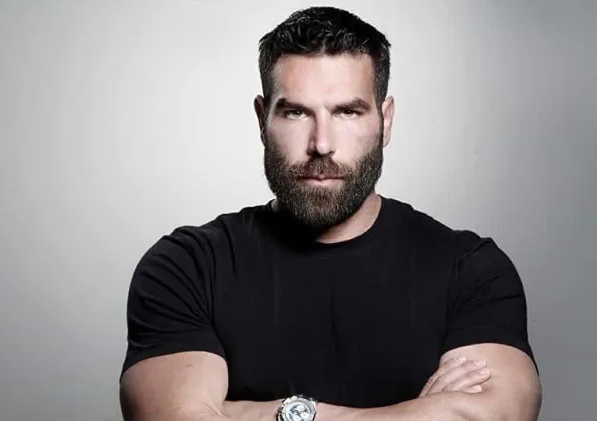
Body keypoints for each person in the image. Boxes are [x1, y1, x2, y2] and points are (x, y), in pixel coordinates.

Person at [118, 6, 542, 421]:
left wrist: (279, 413)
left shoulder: (470, 270)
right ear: (262, 119)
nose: (321, 144)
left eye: (347, 112)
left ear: (386, 121)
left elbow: (498, 414)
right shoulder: (187, 267)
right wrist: (420, 412)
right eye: (296, 112)